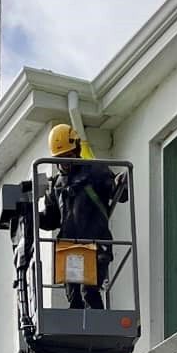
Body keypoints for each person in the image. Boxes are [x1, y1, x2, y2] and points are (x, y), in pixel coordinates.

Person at [38, 123, 125, 308]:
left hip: (96, 243)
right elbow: (51, 219)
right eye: (61, 159)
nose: (65, 163)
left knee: (90, 292)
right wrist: (32, 215)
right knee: (74, 299)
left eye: (69, 157)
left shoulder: (95, 171)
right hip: (70, 247)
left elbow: (119, 194)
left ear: (77, 151)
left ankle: (99, 326)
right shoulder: (56, 185)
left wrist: (119, 183)